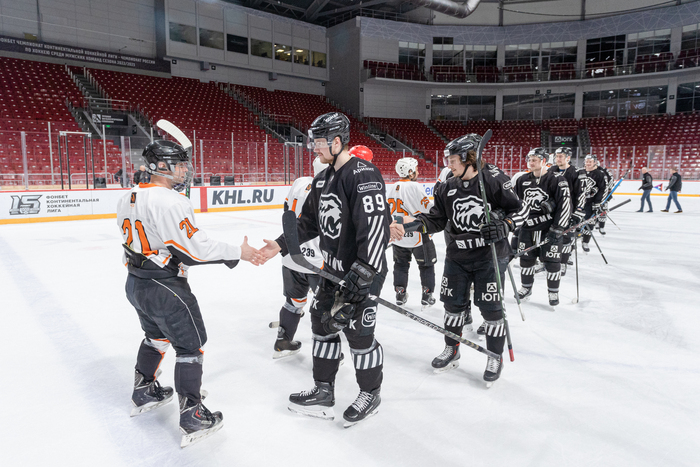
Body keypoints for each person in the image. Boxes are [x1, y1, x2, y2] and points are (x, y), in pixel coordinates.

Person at [116, 140, 262, 446]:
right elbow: (193, 251)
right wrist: (239, 252)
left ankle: (143, 391)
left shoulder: (129, 196)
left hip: (136, 282)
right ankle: (192, 416)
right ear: (161, 166)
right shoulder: (171, 202)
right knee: (190, 347)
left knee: (155, 337)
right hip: (165, 286)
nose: (185, 170)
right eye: (179, 165)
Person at [259, 112, 389, 427]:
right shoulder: (323, 178)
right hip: (331, 272)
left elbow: (375, 230)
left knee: (359, 336)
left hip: (362, 273)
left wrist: (362, 276)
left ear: (337, 141)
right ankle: (323, 390)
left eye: (319, 142)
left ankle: (370, 393)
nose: (314, 148)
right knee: (321, 325)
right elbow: (308, 223)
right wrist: (280, 244)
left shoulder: (363, 173)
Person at [390, 134, 528, 384]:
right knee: (452, 306)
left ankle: (494, 356)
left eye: (452, 160)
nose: (448, 165)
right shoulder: (447, 186)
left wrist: (506, 225)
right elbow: (436, 219)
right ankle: (451, 349)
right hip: (457, 256)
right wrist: (410, 224)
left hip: (489, 257)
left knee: (491, 309)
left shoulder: (494, 179)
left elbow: (521, 209)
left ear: (469, 158)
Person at [272, 156, 326, 359]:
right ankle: (327, 353)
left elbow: (287, 212)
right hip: (318, 260)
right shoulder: (330, 189)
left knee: (293, 302)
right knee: (325, 306)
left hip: (291, 254)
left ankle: (283, 342)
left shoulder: (299, 182)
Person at [514, 147, 571, 307]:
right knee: (526, 260)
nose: (530, 163)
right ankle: (526, 288)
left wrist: (558, 228)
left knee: (553, 262)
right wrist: (515, 224)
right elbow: (515, 203)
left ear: (544, 161)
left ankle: (553, 291)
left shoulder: (557, 180)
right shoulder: (522, 180)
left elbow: (565, 205)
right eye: (529, 160)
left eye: (534, 160)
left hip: (549, 229)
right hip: (527, 230)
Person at [386, 157, 436, 308]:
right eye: (416, 169)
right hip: (417, 234)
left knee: (400, 265)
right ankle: (427, 295)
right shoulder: (415, 186)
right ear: (410, 172)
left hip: (399, 235)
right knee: (426, 265)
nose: (418, 172)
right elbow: (429, 209)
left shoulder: (392, 187)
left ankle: (400, 293)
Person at [549, 147, 586, 276]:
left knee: (565, 238)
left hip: (568, 210)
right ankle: (548, 260)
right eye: (556, 156)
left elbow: (581, 193)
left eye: (561, 156)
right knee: (551, 236)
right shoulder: (551, 170)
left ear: (568, 158)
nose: (557, 158)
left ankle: (563, 262)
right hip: (553, 210)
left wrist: (578, 211)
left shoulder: (577, 172)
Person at [581, 155, 606, 253]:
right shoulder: (580, 172)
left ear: (595, 162)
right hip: (579, 202)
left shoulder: (599, 174)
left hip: (590, 203)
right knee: (575, 223)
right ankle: (571, 245)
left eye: (590, 162)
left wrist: (598, 203)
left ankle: (585, 241)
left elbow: (602, 189)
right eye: (586, 161)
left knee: (590, 222)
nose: (588, 163)